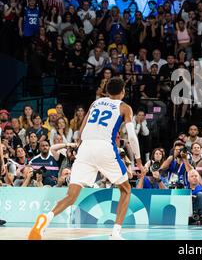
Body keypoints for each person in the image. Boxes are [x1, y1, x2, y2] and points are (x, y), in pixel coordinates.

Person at [28, 77, 145, 240]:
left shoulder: (95, 103)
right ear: (123, 91)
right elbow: (132, 137)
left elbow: (81, 129)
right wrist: (138, 161)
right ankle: (116, 233)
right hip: (104, 147)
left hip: (85, 148)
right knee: (125, 190)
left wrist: (80, 146)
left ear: (107, 91)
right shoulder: (125, 107)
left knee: (71, 196)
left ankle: (45, 220)